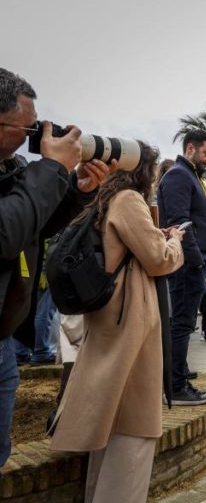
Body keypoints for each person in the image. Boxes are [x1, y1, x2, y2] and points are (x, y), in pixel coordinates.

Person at [50, 142, 184, 502]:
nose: (156, 179)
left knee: (113, 428)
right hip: (131, 321)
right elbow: (157, 259)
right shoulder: (129, 200)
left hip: (113, 318)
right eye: (154, 172)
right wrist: (175, 242)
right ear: (144, 172)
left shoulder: (106, 199)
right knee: (133, 432)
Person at [0, 67, 112, 466]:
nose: (37, 140)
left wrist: (77, 193)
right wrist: (53, 169)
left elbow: (31, 227)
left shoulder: (9, 171)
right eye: (28, 130)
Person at [157, 130, 206, 405]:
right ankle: (175, 387)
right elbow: (180, 222)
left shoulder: (190, 176)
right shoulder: (180, 174)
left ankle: (176, 381)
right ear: (190, 148)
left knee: (182, 323)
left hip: (191, 261)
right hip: (186, 263)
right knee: (181, 324)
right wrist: (196, 261)